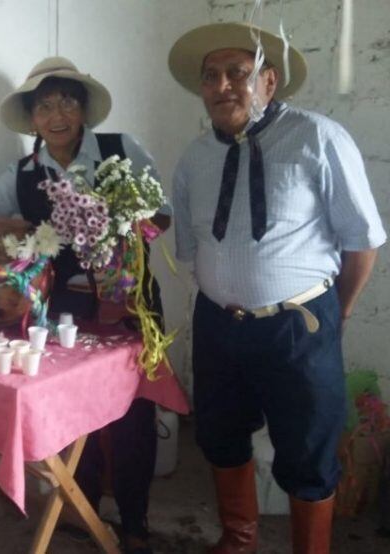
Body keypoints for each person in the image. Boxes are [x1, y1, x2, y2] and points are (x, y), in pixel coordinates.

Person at [0, 56, 171, 554]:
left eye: (67, 102)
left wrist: (117, 230)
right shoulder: (23, 172)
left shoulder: (121, 150)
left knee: (132, 414)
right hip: (65, 307)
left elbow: (162, 214)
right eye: (45, 106)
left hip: (128, 301)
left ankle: (136, 522)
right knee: (77, 409)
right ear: (32, 119)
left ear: (84, 110)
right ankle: (85, 511)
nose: (57, 115)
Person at [169, 22, 387, 553]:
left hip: (299, 326)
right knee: (219, 435)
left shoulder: (318, 137)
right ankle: (238, 540)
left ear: (268, 81)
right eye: (211, 76)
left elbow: (363, 244)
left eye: (237, 73)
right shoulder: (194, 158)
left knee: (308, 451)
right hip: (219, 326)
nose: (223, 86)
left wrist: (334, 317)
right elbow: (191, 251)